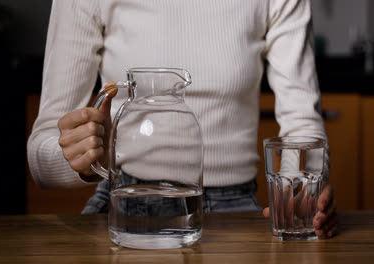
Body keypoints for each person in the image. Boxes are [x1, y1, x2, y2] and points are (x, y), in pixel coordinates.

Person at [27, 0, 337, 239]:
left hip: (235, 208)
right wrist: (80, 159)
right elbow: (41, 155)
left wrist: (298, 192)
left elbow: (303, 123)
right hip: (123, 202)